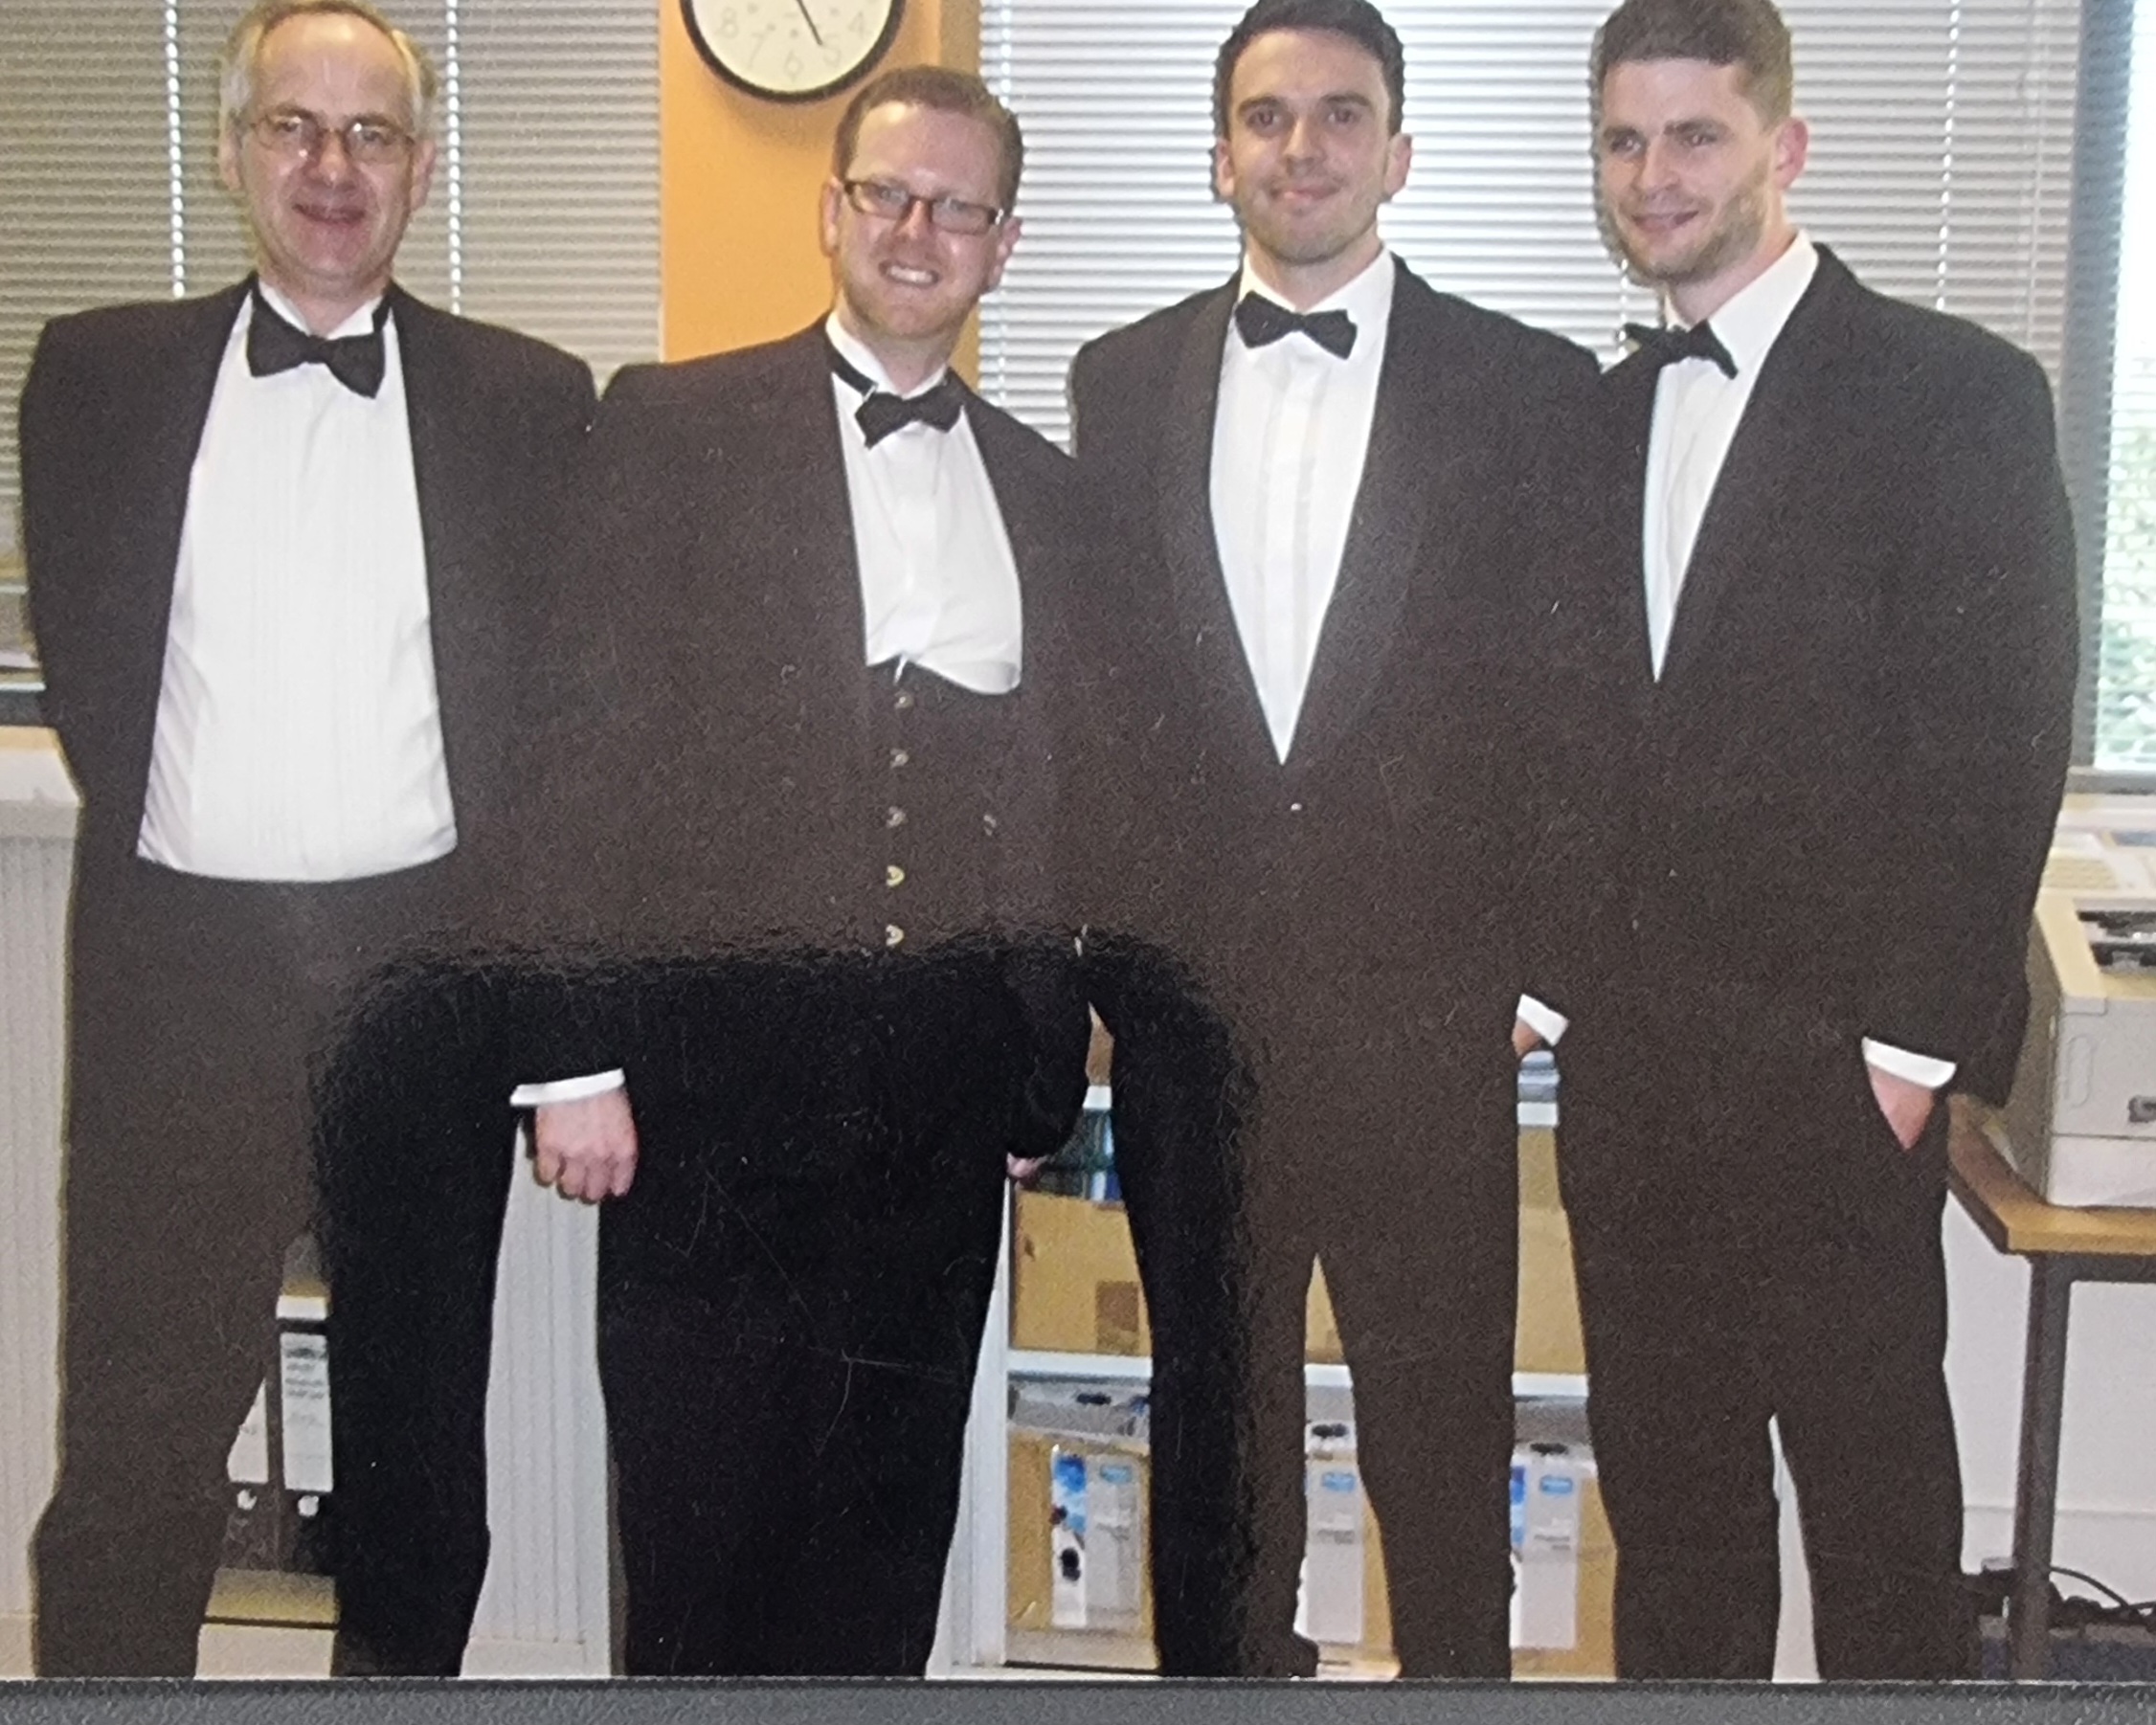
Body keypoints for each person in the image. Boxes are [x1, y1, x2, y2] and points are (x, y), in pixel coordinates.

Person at [16, 0, 594, 1676]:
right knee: (134, 1440)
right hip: (175, 978)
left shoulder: (527, 398)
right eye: (296, 128)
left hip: (423, 979)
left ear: (423, 169)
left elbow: (549, 738)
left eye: (374, 136)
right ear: (232, 149)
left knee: (422, 1456)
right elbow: (96, 677)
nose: (332, 169)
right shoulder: (96, 377)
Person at [492, 66, 1093, 1675]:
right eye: (888, 194)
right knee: (698, 1539)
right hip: (708, 1095)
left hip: (941, 1108)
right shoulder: (674, 426)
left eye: (957, 205)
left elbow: (1049, 800)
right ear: (829, 211)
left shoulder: (1049, 491)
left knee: (884, 1533)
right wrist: (570, 1058)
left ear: (1004, 242)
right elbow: (575, 750)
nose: (917, 229)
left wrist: (1038, 1076)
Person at [1536, 0, 2077, 1679]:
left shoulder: (1958, 394)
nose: (1656, 175)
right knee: (1678, 1513)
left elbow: (1996, 742)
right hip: (1632, 1087)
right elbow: (1573, 739)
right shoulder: (1596, 414)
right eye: (1624, 141)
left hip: (1841, 1074)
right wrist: (1550, 994)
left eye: (1695, 136)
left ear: (1786, 145)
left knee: (1877, 1518)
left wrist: (1908, 1054)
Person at [1066, 0, 1601, 1678]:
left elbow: (1572, 704)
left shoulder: (1528, 385)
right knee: (1216, 1452)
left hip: (1427, 1018)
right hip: (1191, 1030)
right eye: (1269, 115)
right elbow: (1103, 705)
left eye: (1342, 114)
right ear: (1219, 152)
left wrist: (1546, 972)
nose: (1304, 148)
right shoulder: (1120, 376)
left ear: (1399, 151)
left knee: (1441, 1443)